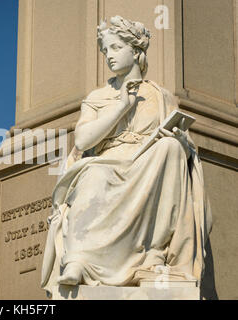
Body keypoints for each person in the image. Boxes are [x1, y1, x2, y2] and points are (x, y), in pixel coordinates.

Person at [41, 16, 212, 295]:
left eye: (116, 48)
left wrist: (180, 140)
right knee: (94, 176)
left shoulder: (160, 95)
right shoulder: (98, 96)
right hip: (108, 161)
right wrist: (121, 107)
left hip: (151, 160)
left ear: (135, 51)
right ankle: (81, 260)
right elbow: (83, 139)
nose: (108, 56)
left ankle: (155, 253)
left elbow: (184, 142)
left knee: (171, 149)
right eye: (105, 50)